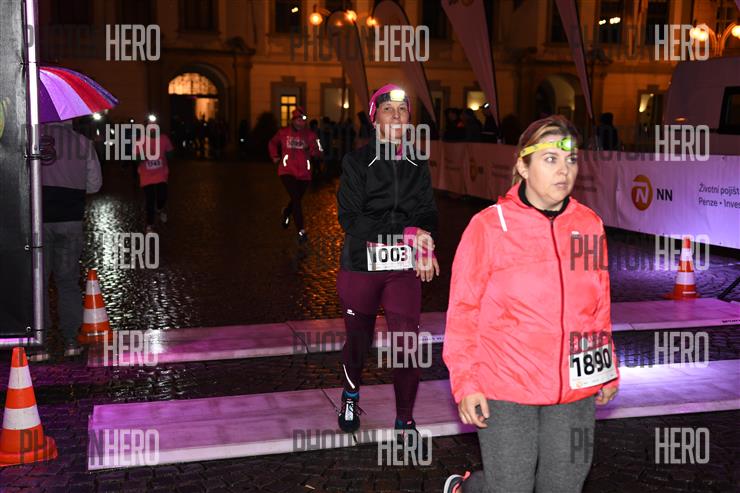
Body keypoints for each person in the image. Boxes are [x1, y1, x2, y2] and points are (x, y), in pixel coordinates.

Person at [443, 115, 620, 493]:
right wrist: (466, 382)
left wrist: (607, 368)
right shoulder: (489, 227)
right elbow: (463, 312)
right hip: (506, 387)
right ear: (523, 167)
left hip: (575, 387)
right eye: (551, 159)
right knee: (510, 488)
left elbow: (597, 305)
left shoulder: (588, 225)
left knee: (565, 485)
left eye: (571, 160)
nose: (564, 170)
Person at [335, 84, 440, 449]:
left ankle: (405, 418)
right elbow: (351, 219)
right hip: (361, 265)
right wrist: (406, 233)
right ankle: (350, 395)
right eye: (387, 110)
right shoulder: (356, 163)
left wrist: (425, 243)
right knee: (358, 341)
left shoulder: (417, 163)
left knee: (407, 342)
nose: (396, 116)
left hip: (402, 268)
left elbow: (427, 213)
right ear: (374, 118)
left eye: (402, 110)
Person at [38, 119, 102, 360]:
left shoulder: (32, 139)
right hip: (71, 220)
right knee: (67, 282)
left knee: (38, 283)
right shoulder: (83, 143)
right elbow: (94, 185)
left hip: (38, 220)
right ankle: (72, 341)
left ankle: (39, 344)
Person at [268, 107, 321, 243]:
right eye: (298, 120)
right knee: (296, 199)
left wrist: (312, 150)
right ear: (293, 120)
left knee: (296, 199)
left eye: (303, 120)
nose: (300, 123)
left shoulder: (311, 135)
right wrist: (274, 156)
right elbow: (272, 143)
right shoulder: (283, 133)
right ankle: (301, 231)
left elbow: (319, 150)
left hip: (304, 174)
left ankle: (287, 212)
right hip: (287, 171)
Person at [136, 126, 175, 231]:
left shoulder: (164, 138)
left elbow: (171, 153)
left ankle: (160, 208)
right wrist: (145, 156)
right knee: (150, 199)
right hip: (146, 175)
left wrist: (168, 154)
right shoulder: (140, 141)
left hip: (161, 174)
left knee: (162, 195)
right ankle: (150, 223)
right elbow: (135, 157)